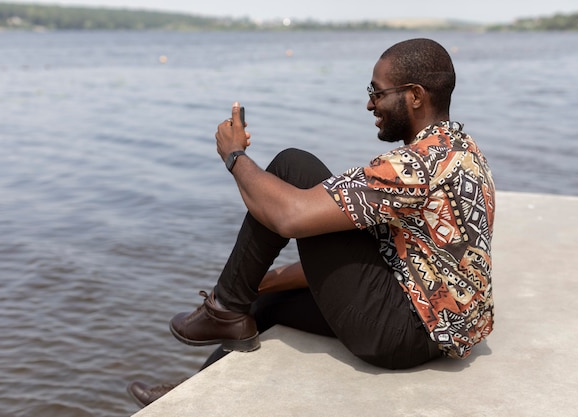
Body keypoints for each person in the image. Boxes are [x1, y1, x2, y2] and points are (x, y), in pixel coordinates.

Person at [127, 37, 495, 407]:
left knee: (292, 167)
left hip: (406, 333)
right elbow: (367, 254)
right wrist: (262, 283)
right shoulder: (460, 150)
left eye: (377, 92)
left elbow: (291, 217)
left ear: (415, 95)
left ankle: (222, 307)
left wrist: (234, 156)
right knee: (262, 308)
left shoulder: (416, 165)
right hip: (444, 328)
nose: (370, 103)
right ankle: (193, 389)